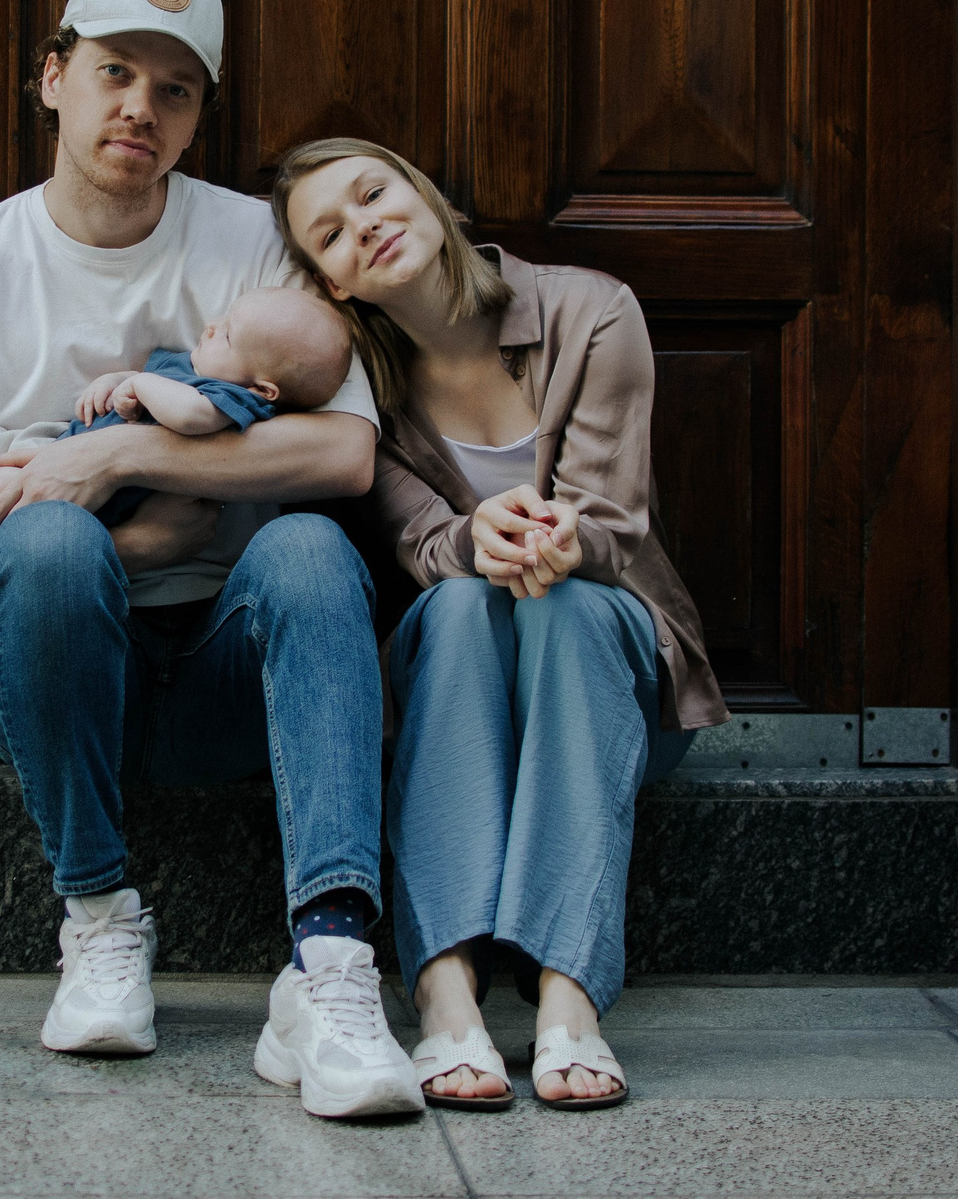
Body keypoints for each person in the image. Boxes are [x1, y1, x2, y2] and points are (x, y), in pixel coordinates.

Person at [0, 0, 425, 1119]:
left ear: (198, 116)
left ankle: (331, 970)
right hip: (58, 682)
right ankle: (101, 917)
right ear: (53, 79)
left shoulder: (252, 247)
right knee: (53, 548)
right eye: (114, 73)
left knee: (311, 551)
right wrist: (104, 529)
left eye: (174, 90)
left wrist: (114, 454)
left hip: (228, 669)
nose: (140, 109)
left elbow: (342, 455)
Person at [273, 136, 729, 1112]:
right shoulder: (361, 388)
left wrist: (562, 542)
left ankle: (569, 998)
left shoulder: (588, 311)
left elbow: (609, 519)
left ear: (421, 192)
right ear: (332, 283)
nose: (367, 225)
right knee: (466, 599)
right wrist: (477, 539)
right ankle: (446, 995)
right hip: (459, 685)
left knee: (563, 604)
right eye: (333, 233)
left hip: (605, 686)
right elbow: (415, 538)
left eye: (372, 193)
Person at [0, 287, 353, 591]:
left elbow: (191, 418)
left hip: (105, 497)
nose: (211, 327)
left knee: (4, 485)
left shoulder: (229, 398)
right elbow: (136, 381)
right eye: (222, 320)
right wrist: (114, 381)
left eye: (226, 335)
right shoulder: (191, 365)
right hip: (61, 444)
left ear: (264, 388)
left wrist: (139, 384)